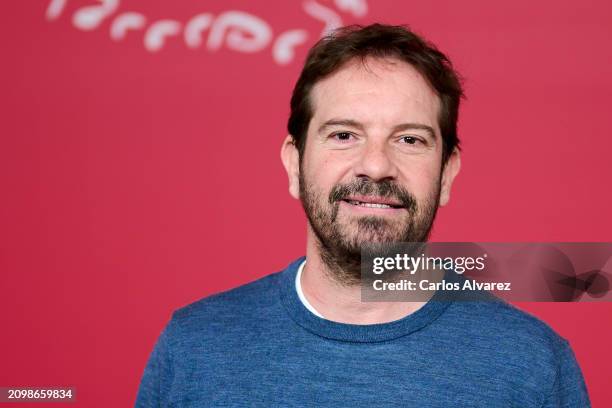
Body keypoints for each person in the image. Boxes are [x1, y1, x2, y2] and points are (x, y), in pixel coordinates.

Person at [135, 24, 590, 407]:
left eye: (409, 140)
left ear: (447, 174)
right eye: (344, 135)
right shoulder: (195, 347)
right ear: (294, 164)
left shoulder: (532, 364)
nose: (376, 165)